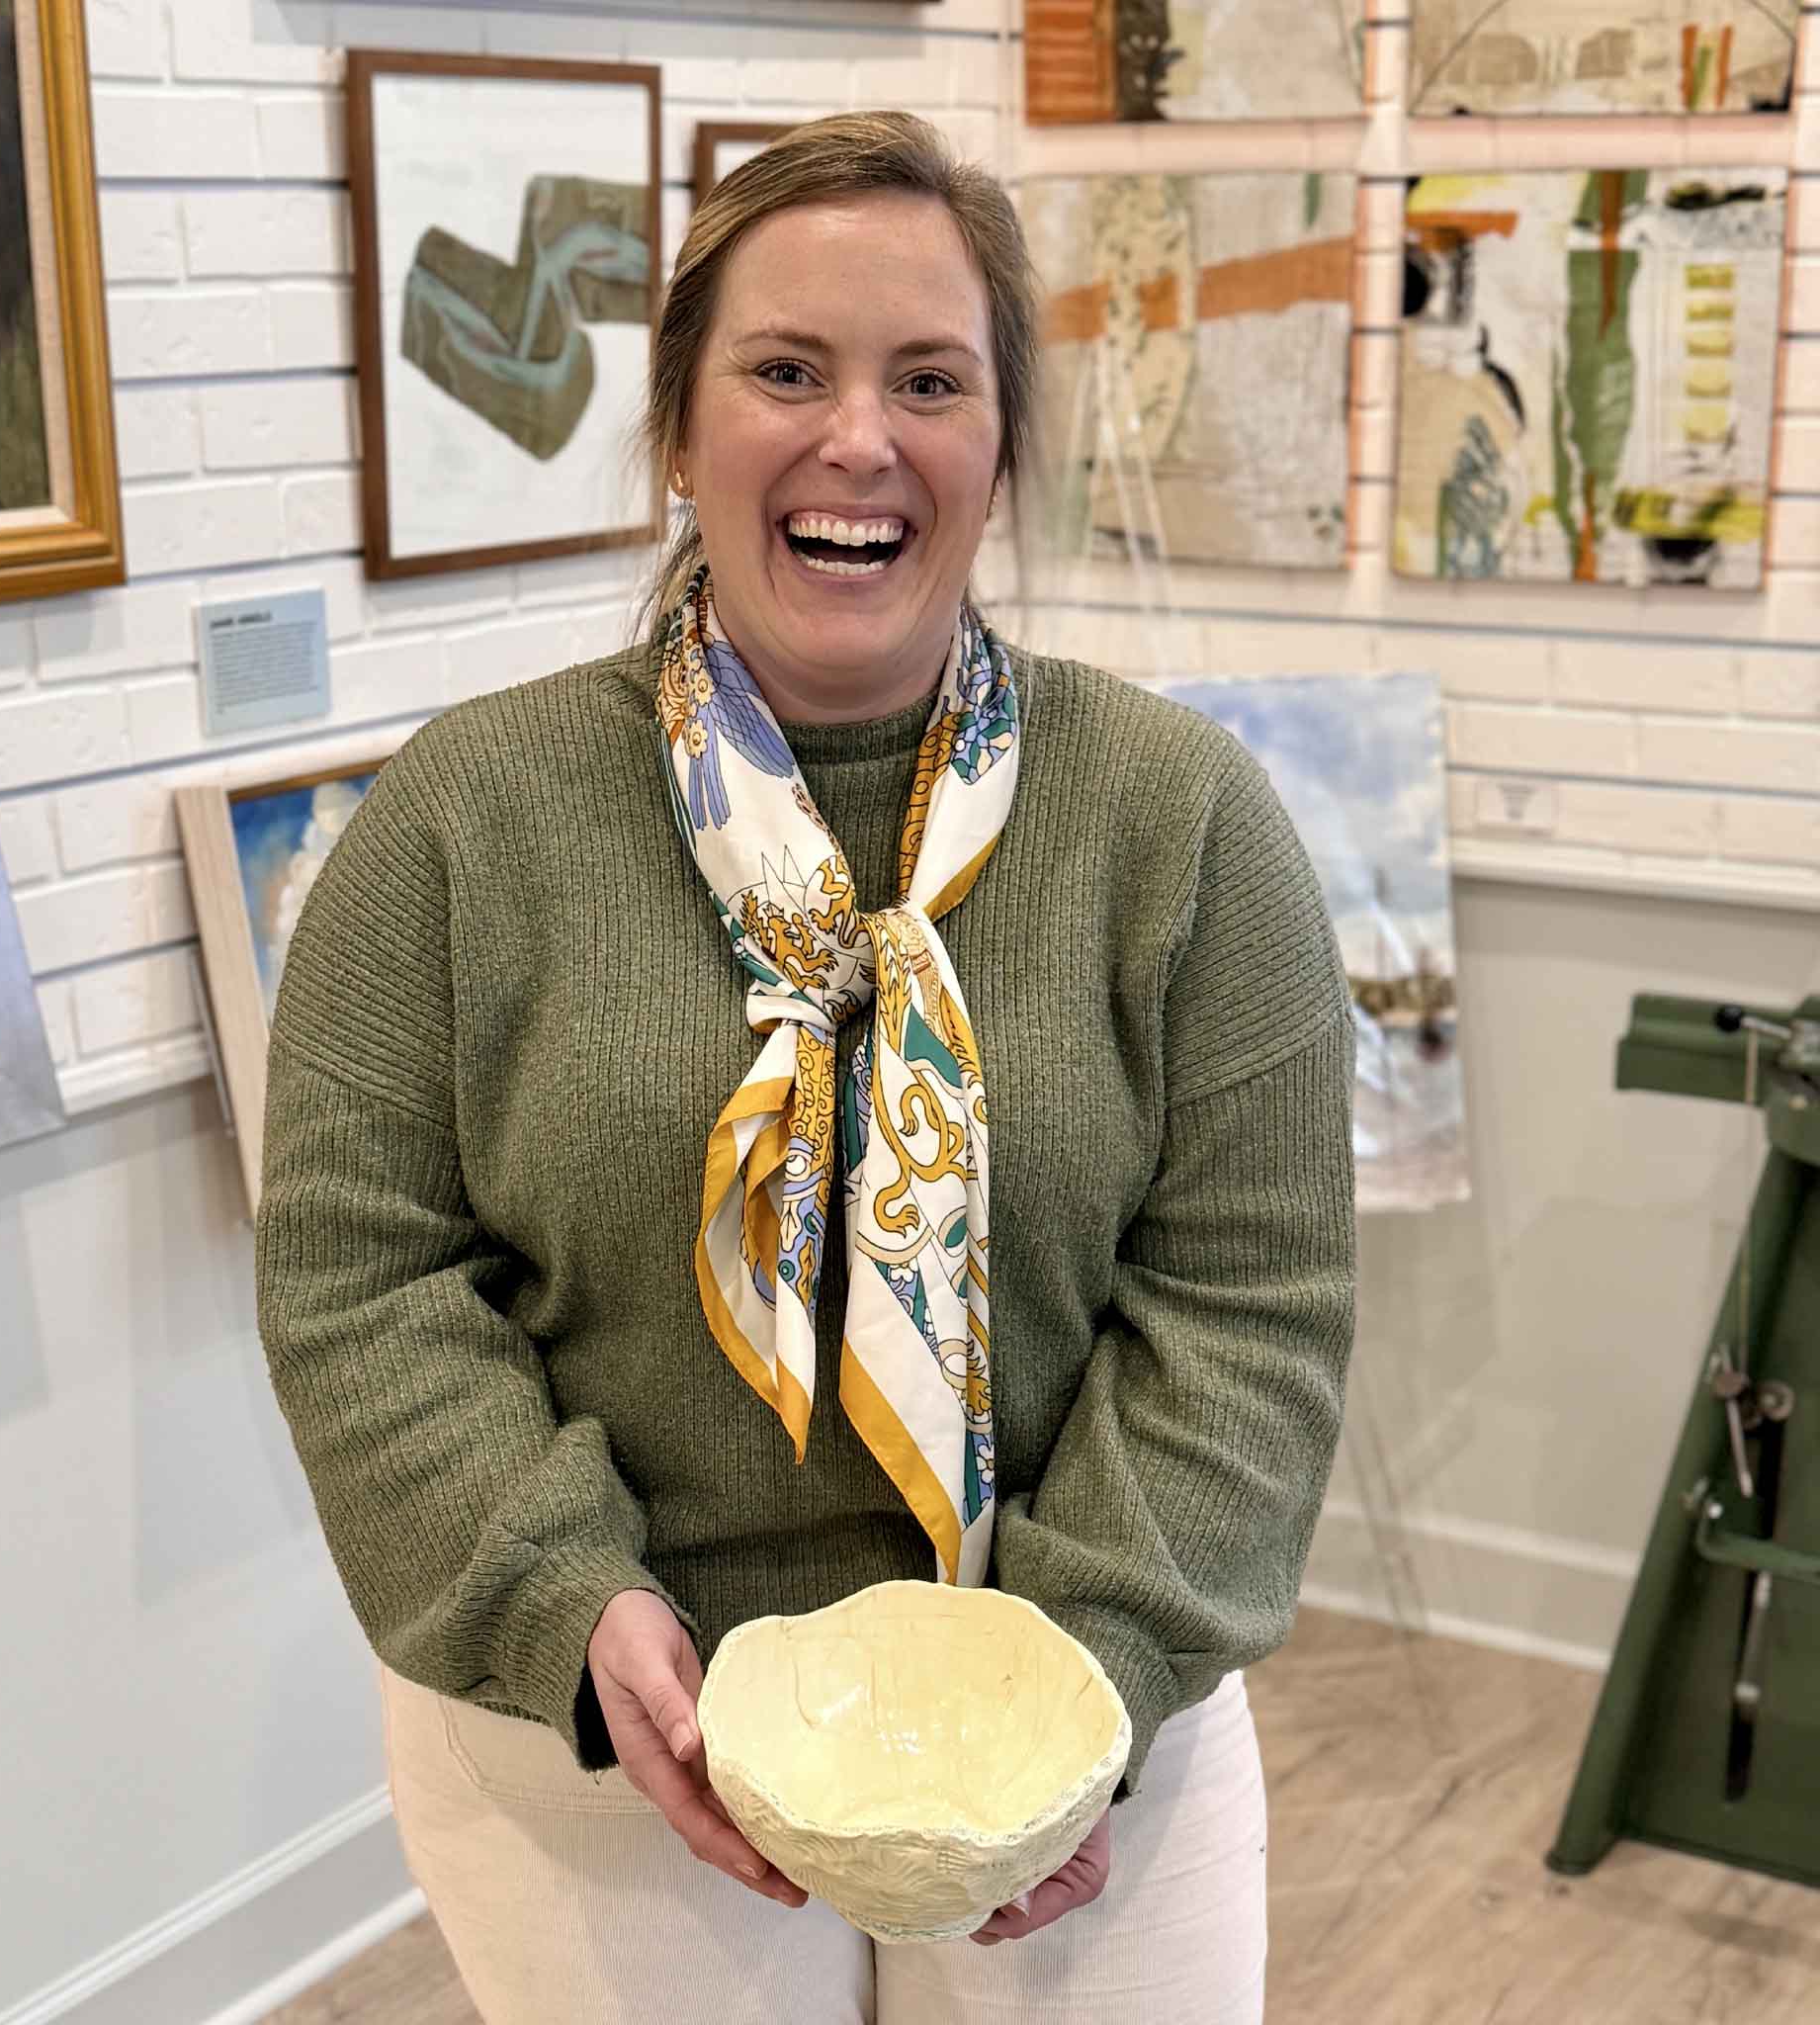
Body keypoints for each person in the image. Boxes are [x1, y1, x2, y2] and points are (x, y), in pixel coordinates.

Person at [255, 111, 1355, 2024]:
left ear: (1001, 442)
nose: (860, 438)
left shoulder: (1186, 829)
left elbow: (1248, 1303)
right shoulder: (456, 827)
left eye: (930, 379)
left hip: (1087, 1733)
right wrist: (560, 1601)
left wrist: (1089, 1669)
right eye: (786, 371)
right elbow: (363, 1279)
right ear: (682, 427)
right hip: (606, 1737)